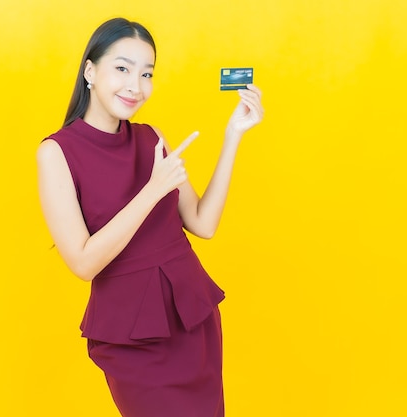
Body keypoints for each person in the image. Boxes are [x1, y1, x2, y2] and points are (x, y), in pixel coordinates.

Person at [36, 17, 263, 417]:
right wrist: (152, 190)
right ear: (90, 71)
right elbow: (83, 262)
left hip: (193, 320)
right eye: (122, 69)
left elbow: (202, 223)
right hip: (132, 335)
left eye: (147, 74)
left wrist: (233, 136)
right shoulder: (56, 152)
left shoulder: (151, 138)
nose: (135, 86)